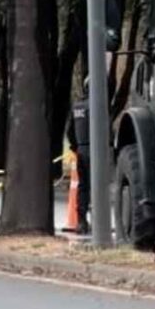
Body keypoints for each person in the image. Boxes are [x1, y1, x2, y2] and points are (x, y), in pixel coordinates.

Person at [66, 78, 91, 235]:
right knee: (97, 186)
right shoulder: (97, 105)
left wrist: (75, 146)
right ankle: (100, 220)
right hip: (95, 151)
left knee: (83, 186)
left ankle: (81, 221)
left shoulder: (77, 107)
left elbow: (70, 131)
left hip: (81, 150)